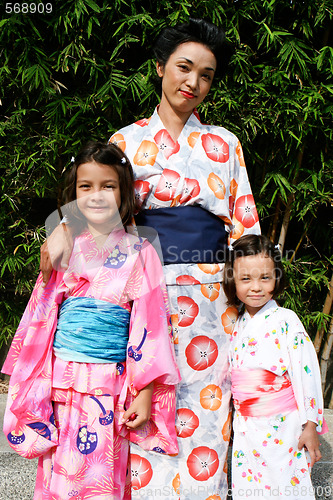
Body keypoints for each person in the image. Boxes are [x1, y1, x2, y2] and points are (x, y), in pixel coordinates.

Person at [40, 18, 260, 499]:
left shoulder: (225, 144)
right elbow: (98, 203)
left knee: (205, 409)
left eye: (206, 75)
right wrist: (61, 227)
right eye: (184, 67)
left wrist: (254, 305)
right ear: (159, 68)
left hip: (209, 302)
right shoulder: (126, 141)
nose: (193, 83)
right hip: (140, 299)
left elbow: (246, 229)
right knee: (141, 409)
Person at [2, 142, 181, 500]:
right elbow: (42, 317)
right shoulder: (65, 245)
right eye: (86, 187)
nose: (96, 195)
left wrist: (145, 392)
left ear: (124, 192)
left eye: (108, 186)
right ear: (73, 193)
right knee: (57, 478)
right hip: (62, 381)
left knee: (100, 479)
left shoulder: (141, 252)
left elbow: (150, 326)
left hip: (107, 386)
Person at [223, 234, 326, 500]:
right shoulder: (239, 323)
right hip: (247, 427)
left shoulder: (286, 320)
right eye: (246, 279)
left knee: (285, 486)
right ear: (233, 281)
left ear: (276, 279)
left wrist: (310, 426)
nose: (255, 287)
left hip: (283, 427)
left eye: (265, 278)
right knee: (250, 489)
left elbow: (306, 373)